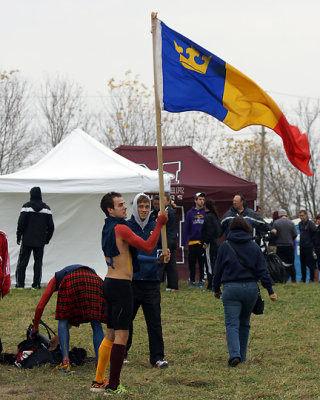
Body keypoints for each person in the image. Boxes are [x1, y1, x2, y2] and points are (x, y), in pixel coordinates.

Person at [90, 192, 167, 395]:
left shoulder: (107, 228)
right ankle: (113, 386)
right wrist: (159, 224)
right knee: (121, 337)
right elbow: (149, 246)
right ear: (110, 210)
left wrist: (156, 261)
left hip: (109, 282)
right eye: (120, 205)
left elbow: (133, 258)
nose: (125, 207)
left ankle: (98, 381)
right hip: (122, 286)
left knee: (111, 334)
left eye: (124, 204)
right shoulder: (121, 228)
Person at [213, 216, 276, 367]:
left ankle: (235, 355)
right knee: (244, 323)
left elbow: (218, 270)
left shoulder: (225, 246)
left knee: (232, 323)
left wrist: (215, 288)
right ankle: (243, 356)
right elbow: (263, 270)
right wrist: (270, 290)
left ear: (231, 229)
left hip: (231, 289)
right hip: (251, 289)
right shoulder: (254, 246)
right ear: (247, 228)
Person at [31, 264, 106, 372]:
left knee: (63, 319)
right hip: (95, 280)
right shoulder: (84, 272)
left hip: (71, 279)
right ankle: (100, 364)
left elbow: (40, 306)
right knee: (96, 322)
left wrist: (36, 327)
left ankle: (66, 363)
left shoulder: (56, 279)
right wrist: (57, 337)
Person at [125, 193, 169, 368]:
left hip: (151, 281)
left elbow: (160, 249)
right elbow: (132, 255)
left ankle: (157, 357)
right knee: (126, 320)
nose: (144, 210)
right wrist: (154, 259)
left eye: (147, 207)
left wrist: (164, 255)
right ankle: (122, 352)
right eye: (141, 206)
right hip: (132, 281)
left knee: (154, 321)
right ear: (135, 207)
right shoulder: (126, 227)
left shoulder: (157, 226)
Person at [15, 187, 54, 289]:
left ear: (31, 194)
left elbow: (21, 223)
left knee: (22, 263)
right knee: (38, 263)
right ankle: (36, 285)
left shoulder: (26, 207)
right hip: (40, 241)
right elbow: (51, 227)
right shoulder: (47, 209)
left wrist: (19, 236)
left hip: (27, 240)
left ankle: (20, 285)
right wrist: (47, 239)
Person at [182, 192, 206, 287]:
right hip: (192, 242)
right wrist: (183, 242)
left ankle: (201, 280)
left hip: (202, 243)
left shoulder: (205, 212)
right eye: (200, 199)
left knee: (201, 263)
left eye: (203, 199)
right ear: (195, 200)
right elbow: (186, 228)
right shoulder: (190, 213)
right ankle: (192, 280)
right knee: (191, 263)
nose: (202, 201)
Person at [158, 193, 179, 291]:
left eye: (163, 200)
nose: (160, 202)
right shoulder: (170, 211)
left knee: (163, 261)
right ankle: (172, 285)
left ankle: (157, 283)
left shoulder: (168, 212)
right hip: (171, 238)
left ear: (168, 201)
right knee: (171, 263)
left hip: (168, 239)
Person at [201, 199, 221, 290]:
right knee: (214, 263)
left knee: (209, 264)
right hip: (216, 242)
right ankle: (215, 283)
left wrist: (205, 242)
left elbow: (209, 232)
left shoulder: (208, 217)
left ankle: (211, 285)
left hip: (210, 244)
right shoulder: (215, 216)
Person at [273, 210, 297, 282]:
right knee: (291, 263)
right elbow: (295, 234)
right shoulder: (291, 223)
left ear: (279, 215)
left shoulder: (276, 223)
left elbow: (274, 234)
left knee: (280, 264)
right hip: (289, 246)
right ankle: (293, 280)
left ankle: (282, 280)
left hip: (280, 246)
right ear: (286, 215)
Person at [298, 210, 317, 283]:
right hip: (302, 246)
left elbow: (315, 235)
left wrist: (313, 247)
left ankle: (311, 279)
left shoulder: (311, 224)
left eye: (302, 215)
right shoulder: (300, 224)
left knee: (310, 264)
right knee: (302, 264)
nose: (301, 217)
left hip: (309, 247)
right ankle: (303, 279)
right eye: (300, 215)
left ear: (306, 215)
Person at [313, 214, 320, 283]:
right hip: (317, 249)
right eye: (317, 219)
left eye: (319, 219)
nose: (318, 221)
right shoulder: (317, 228)